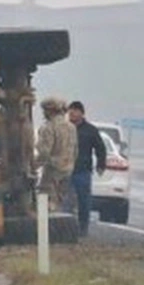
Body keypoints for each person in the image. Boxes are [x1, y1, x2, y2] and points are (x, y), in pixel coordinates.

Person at [67, 101, 107, 237]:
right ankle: (67, 228)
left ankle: (83, 227)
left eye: (75, 110)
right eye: (70, 110)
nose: (72, 113)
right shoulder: (65, 128)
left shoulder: (90, 130)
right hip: (65, 170)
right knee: (65, 201)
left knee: (83, 200)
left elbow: (100, 148)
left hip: (82, 170)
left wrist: (101, 164)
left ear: (81, 113)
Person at [34, 97, 76, 214]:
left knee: (45, 203)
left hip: (52, 172)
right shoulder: (71, 128)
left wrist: (33, 167)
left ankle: (46, 230)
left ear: (50, 111)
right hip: (68, 170)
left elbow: (44, 153)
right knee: (61, 202)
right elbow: (75, 150)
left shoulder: (48, 127)